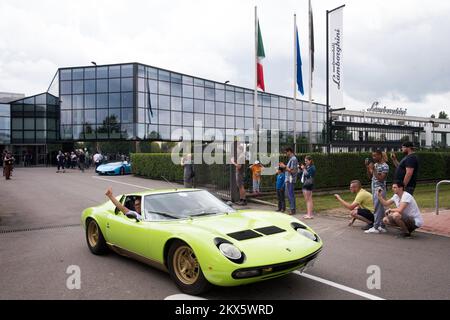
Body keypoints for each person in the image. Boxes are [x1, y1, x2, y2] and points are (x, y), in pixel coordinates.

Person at [365, 150, 389, 234]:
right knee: (380, 208)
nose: (373, 157)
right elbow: (370, 176)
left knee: (377, 208)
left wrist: (374, 169)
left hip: (379, 189)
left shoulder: (385, 166)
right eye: (373, 156)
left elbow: (381, 179)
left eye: (375, 156)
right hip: (374, 188)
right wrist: (368, 167)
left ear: (380, 155)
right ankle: (381, 226)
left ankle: (375, 227)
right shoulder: (376, 165)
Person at [279, 147, 298, 215]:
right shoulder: (292, 159)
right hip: (288, 179)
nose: (286, 154)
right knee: (289, 194)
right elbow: (289, 169)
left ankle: (292, 209)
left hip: (290, 180)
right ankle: (292, 209)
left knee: (290, 195)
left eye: (286, 152)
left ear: (289, 151)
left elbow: (292, 171)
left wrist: (284, 166)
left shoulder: (293, 159)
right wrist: (283, 166)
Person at [299, 155, 316, 219]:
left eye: (306, 161)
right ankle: (310, 214)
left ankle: (309, 214)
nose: (305, 162)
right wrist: (301, 168)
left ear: (310, 161)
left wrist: (303, 169)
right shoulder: (308, 167)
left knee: (308, 200)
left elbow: (308, 175)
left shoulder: (312, 167)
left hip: (308, 184)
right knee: (309, 199)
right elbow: (302, 174)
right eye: (305, 161)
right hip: (307, 184)